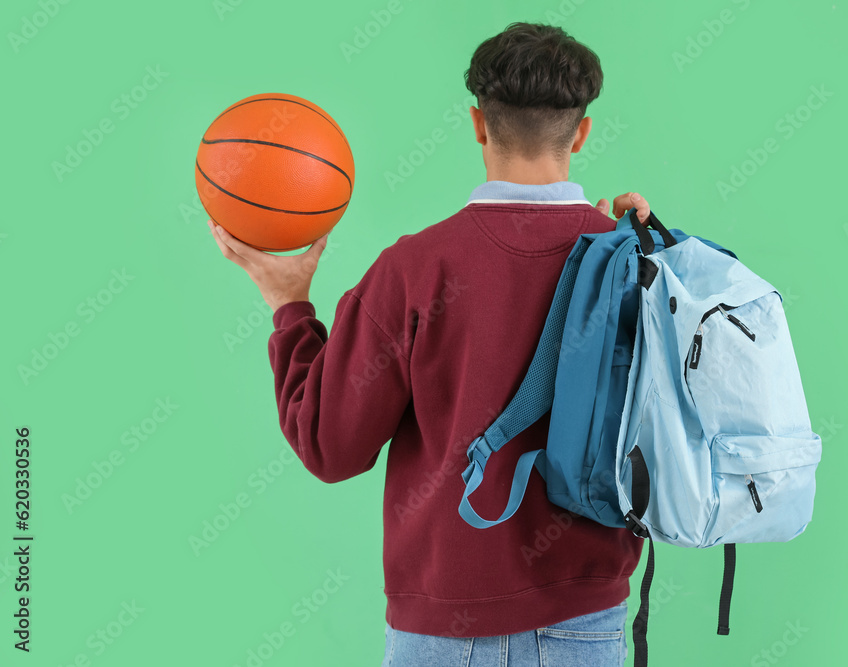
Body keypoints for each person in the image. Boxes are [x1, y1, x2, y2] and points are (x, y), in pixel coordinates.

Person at [208, 21, 659, 667]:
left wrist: (290, 305)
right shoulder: (629, 259)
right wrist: (645, 246)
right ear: (581, 133)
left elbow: (331, 445)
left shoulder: (413, 270)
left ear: (478, 124)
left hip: (442, 630)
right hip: (584, 619)